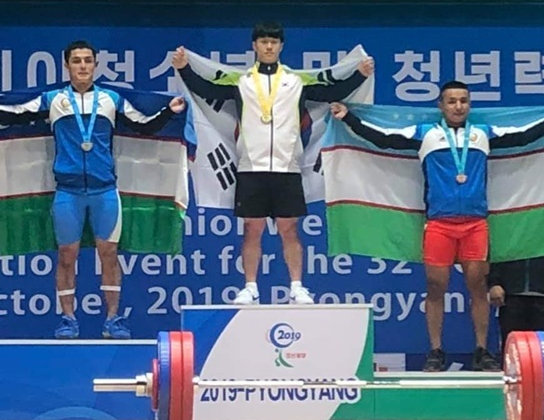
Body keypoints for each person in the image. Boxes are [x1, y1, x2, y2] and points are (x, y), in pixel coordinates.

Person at [330, 80, 544, 371]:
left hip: (475, 224)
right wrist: (348, 118)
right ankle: (436, 350)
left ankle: (481, 350)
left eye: (463, 101)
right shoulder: (426, 134)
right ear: (441, 105)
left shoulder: (482, 134)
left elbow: (523, 135)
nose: (458, 106)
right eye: (452, 101)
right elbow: (383, 138)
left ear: (469, 104)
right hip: (439, 224)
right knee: (436, 286)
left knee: (478, 286)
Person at [172, 21, 374, 305]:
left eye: (273, 42)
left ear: (281, 46)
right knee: (251, 230)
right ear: (254, 46)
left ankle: (297, 286)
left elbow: (331, 92)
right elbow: (207, 90)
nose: (268, 46)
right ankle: (250, 287)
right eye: (263, 41)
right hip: (250, 168)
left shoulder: (296, 81)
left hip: (287, 168)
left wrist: (359, 74)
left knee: (289, 229)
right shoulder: (240, 82)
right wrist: (183, 68)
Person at [0, 40, 186, 339]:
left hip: (104, 191)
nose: (83, 66)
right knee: (66, 255)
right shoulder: (53, 99)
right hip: (68, 192)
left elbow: (144, 125)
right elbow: (13, 114)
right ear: (67, 65)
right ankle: (68, 319)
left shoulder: (110, 99)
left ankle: (113, 320)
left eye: (88, 60)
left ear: (96, 65)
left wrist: (169, 111)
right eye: (77, 60)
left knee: (109, 254)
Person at [489, 254, 544, 363]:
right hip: (511, 294)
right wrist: (494, 283)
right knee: (511, 347)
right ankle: (511, 373)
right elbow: (498, 252)